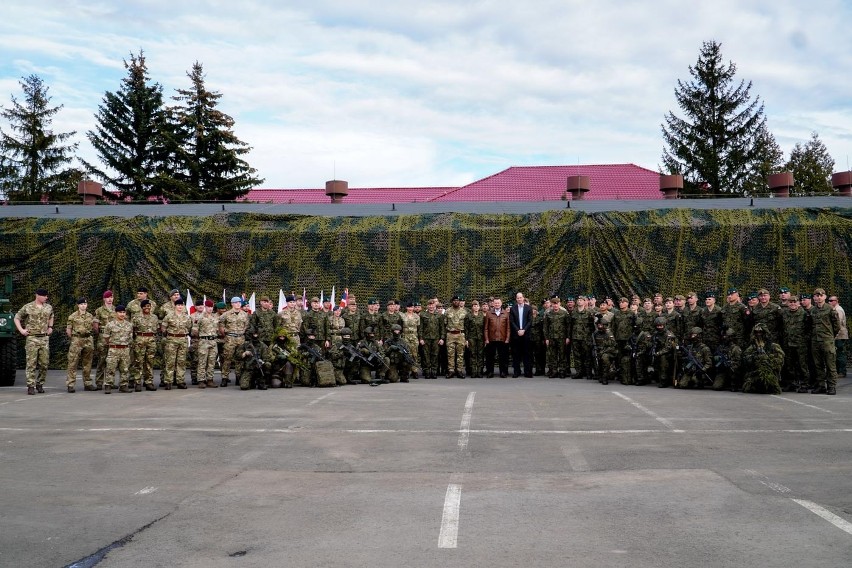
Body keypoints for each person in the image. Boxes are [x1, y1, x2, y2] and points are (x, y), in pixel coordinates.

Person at [14, 288, 53, 395]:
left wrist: (50, 327)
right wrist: (21, 330)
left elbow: (51, 316)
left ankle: (40, 383)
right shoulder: (28, 307)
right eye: (44, 296)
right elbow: (17, 317)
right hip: (32, 338)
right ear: (38, 296)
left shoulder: (48, 307)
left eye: (46, 296)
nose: (46, 297)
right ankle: (30, 385)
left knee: (44, 363)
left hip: (44, 338)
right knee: (31, 363)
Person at [809, 288, 840, 395]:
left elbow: (836, 326)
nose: (818, 297)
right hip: (815, 341)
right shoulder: (812, 310)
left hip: (827, 341)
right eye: (816, 296)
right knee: (818, 365)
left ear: (825, 297)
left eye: (821, 295)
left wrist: (830, 336)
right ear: (814, 297)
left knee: (830, 364)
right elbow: (810, 325)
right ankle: (821, 385)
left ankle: (831, 386)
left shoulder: (830, 309)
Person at [741, 323, 784, 395]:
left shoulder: (772, 346)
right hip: (756, 371)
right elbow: (745, 359)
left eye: (760, 332)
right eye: (756, 332)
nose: (758, 334)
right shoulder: (753, 346)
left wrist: (769, 361)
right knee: (747, 388)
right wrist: (754, 358)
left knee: (774, 389)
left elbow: (780, 360)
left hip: (770, 371)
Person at [161, 298, 192, 389]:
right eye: (178, 305)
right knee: (170, 361)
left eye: (181, 305)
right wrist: (169, 336)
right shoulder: (169, 316)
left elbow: (189, 328)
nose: (180, 307)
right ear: (175, 306)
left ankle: (180, 381)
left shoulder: (187, 317)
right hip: (171, 340)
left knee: (181, 362)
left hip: (183, 340)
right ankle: (168, 381)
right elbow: (163, 328)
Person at [101, 304, 133, 393]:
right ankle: (108, 385)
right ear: (116, 313)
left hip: (125, 349)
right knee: (110, 368)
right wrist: (112, 344)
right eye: (120, 312)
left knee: (125, 369)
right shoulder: (110, 325)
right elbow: (106, 337)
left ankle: (123, 385)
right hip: (114, 349)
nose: (122, 314)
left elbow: (130, 337)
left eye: (123, 312)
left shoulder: (129, 325)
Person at [65, 297, 95, 393]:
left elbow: (93, 327)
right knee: (73, 362)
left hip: (88, 339)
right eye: (81, 304)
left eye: (85, 304)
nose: (83, 306)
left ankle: (87, 383)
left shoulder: (90, 316)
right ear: (78, 305)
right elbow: (69, 329)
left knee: (87, 363)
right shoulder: (72, 316)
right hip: (77, 339)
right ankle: (70, 384)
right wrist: (74, 338)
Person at [781, 295, 810, 393]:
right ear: (788, 303)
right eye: (791, 302)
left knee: (802, 366)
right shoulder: (784, 314)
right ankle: (791, 384)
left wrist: (804, 340)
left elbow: (809, 329)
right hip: (788, 344)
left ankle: (804, 384)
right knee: (789, 365)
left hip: (800, 344)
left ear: (799, 303)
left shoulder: (804, 314)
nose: (793, 304)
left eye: (795, 302)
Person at [219, 296, 250, 387]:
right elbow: (220, 322)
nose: (238, 304)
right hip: (230, 339)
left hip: (240, 338)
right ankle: (225, 378)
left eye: (239, 302)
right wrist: (223, 332)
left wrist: (242, 332)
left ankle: (238, 377)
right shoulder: (226, 314)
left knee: (240, 359)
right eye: (236, 302)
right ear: (232, 304)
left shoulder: (244, 314)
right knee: (227, 359)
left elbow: (247, 325)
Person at [193, 299, 220, 389]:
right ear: (205, 307)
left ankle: (210, 379)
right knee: (202, 361)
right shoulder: (200, 317)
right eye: (208, 307)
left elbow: (218, 329)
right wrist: (201, 338)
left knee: (212, 361)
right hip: (204, 341)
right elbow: (195, 331)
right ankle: (201, 380)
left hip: (213, 341)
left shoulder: (215, 317)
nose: (210, 308)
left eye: (211, 307)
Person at [92, 290, 116, 390]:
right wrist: (100, 333)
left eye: (111, 297)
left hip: (114, 337)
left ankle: (110, 382)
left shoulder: (116, 310)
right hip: (102, 337)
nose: (110, 299)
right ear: (104, 299)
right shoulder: (99, 310)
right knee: (102, 360)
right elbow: (95, 324)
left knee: (112, 361)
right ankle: (99, 382)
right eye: (108, 297)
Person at [484, 297, 510, 378]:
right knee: (490, 357)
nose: (497, 304)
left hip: (502, 339)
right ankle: (490, 372)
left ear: (501, 303)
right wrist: (486, 339)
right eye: (495, 303)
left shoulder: (505, 313)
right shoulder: (489, 313)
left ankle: (503, 372)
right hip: (491, 339)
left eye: (498, 303)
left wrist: (507, 338)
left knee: (503, 357)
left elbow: (508, 328)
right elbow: (486, 328)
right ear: (493, 304)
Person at [419, 299, 445, 379]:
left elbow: (442, 328)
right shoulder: (423, 315)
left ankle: (434, 372)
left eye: (432, 305)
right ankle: (427, 372)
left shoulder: (439, 315)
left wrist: (442, 338)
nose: (431, 306)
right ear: (427, 306)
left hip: (436, 339)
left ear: (435, 306)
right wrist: (421, 338)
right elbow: (421, 328)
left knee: (435, 355)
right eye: (429, 305)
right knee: (426, 356)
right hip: (426, 339)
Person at [509, 292, 533, 378]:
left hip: (526, 335)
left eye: (520, 297)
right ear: (516, 299)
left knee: (527, 354)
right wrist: (518, 330)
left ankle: (528, 372)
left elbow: (530, 321)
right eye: (518, 298)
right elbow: (511, 321)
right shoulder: (513, 309)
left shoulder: (529, 308)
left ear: (523, 298)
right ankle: (517, 372)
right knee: (516, 354)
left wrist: (524, 330)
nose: (519, 299)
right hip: (516, 335)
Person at [444, 295, 467, 378]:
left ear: (459, 302)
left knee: (460, 354)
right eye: (454, 300)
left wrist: (466, 338)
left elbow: (467, 325)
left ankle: (459, 370)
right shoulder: (447, 311)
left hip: (460, 334)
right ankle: (451, 370)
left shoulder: (464, 312)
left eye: (457, 300)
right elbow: (445, 323)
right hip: (450, 334)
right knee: (450, 354)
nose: (456, 302)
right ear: (452, 301)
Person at [590, 317, 617, 385]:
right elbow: (593, 344)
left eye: (601, 325)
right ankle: (599, 374)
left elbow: (613, 346)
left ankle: (605, 377)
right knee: (595, 359)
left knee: (604, 358)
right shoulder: (595, 333)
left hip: (608, 352)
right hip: (599, 352)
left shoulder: (609, 334)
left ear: (604, 325)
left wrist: (603, 351)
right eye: (598, 325)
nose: (599, 326)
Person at [465, 300, 485, 378]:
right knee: (472, 354)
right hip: (471, 337)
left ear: (479, 307)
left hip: (480, 337)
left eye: (477, 306)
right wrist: (466, 339)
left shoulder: (482, 316)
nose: (476, 307)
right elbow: (466, 328)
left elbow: (484, 328)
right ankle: (473, 371)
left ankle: (479, 371)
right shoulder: (468, 316)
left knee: (480, 354)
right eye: (474, 306)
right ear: (472, 307)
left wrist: (485, 338)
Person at [828, 294, 847, 378]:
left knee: (839, 353)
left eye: (832, 300)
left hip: (839, 335)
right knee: (838, 353)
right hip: (839, 334)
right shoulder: (834, 309)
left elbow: (838, 324)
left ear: (836, 301)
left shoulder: (838, 310)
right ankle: (840, 371)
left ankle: (841, 371)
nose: (830, 302)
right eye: (829, 300)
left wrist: (834, 335)